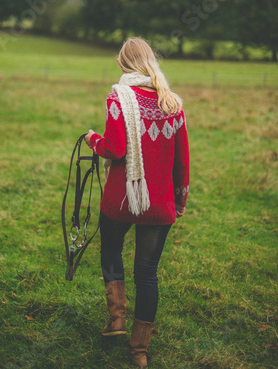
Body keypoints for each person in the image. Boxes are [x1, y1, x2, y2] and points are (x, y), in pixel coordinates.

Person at [85, 38, 189, 368]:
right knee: (147, 274)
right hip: (159, 204)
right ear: (149, 62)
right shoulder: (172, 103)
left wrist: (92, 140)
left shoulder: (118, 97)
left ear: (124, 64)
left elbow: (114, 149)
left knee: (111, 250)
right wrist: (179, 198)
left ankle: (116, 320)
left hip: (120, 199)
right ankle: (139, 351)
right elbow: (182, 162)